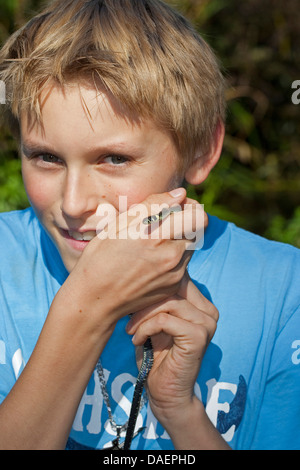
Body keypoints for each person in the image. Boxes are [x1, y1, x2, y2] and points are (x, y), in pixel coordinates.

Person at [0, 0, 299, 451]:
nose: (75, 203)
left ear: (200, 151)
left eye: (114, 159)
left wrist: (181, 412)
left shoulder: (283, 290)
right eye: (46, 157)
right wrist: (87, 307)